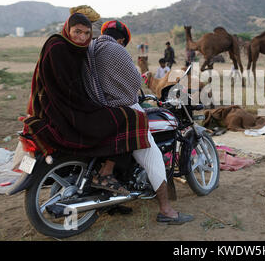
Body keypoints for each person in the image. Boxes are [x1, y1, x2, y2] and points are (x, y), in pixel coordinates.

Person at [23, 13, 151, 197]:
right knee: (131, 117)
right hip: (65, 112)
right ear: (67, 30)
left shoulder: (75, 48)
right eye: (77, 32)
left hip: (67, 107)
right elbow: (65, 88)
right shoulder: (58, 47)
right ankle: (105, 174)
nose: (82, 37)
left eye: (86, 33)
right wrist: (90, 106)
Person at [81, 20, 193, 225]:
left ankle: (112, 198)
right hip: (123, 109)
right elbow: (134, 80)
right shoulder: (116, 50)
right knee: (153, 156)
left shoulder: (91, 48)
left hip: (97, 111)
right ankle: (166, 211)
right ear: (122, 39)